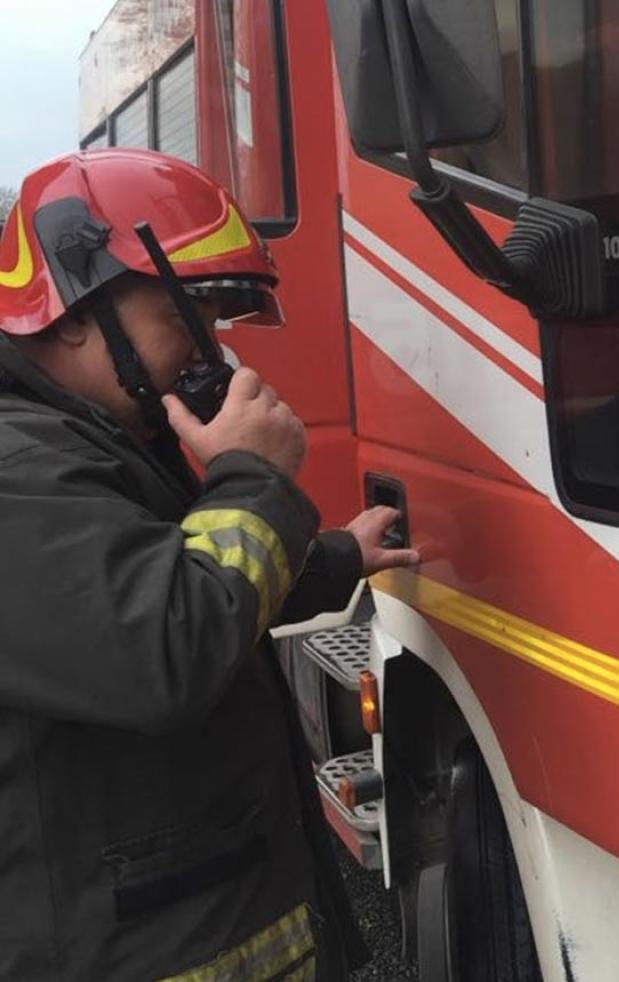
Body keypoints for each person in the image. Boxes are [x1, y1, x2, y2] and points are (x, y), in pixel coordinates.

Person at [0, 149, 418, 980]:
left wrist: (335, 557)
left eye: (219, 323)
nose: (212, 354)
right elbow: (158, 647)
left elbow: (159, 574)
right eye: (186, 317)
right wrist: (255, 480)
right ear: (75, 314)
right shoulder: (18, 469)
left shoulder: (87, 435)